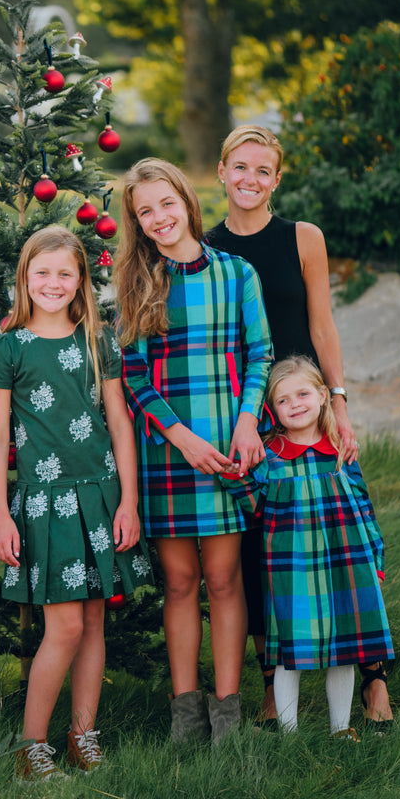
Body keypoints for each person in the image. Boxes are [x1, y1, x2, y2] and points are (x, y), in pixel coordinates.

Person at [205, 124, 393, 727]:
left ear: (277, 179)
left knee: (346, 536)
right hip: (248, 414)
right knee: (264, 548)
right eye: (241, 167)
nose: (250, 180)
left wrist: (337, 402)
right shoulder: (205, 250)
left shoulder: (303, 239)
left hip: (306, 402)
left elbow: (323, 325)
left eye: (264, 170)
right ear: (221, 172)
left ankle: (373, 678)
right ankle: (271, 679)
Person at [0, 226, 153, 781]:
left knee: (95, 620)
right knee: (65, 628)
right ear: (25, 278)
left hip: (100, 496)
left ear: (80, 281)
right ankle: (31, 745)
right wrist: (0, 514)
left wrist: (129, 502)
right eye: (42, 273)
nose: (53, 283)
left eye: (65, 274)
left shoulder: (97, 340)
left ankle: (83, 734)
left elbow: (120, 422)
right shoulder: (5, 349)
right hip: (44, 503)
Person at [115, 158, 272, 746]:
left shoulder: (236, 274)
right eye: (145, 211)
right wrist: (179, 436)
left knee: (225, 579)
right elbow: (134, 374)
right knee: (180, 583)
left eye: (166, 204)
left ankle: (228, 708)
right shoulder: (137, 283)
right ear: (135, 221)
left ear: (187, 200)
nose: (159, 218)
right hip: (170, 452)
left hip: (230, 447)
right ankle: (186, 711)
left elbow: (260, 352)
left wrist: (248, 422)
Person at [220, 356, 394, 739]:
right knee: (288, 652)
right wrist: (235, 478)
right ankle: (289, 732)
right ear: (272, 409)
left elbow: (364, 508)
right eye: (283, 400)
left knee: (343, 648)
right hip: (291, 569)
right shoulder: (269, 457)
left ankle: (340, 728)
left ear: (321, 396)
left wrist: (375, 560)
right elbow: (256, 507)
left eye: (302, 394)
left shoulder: (340, 451)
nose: (295, 404)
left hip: (342, 565)